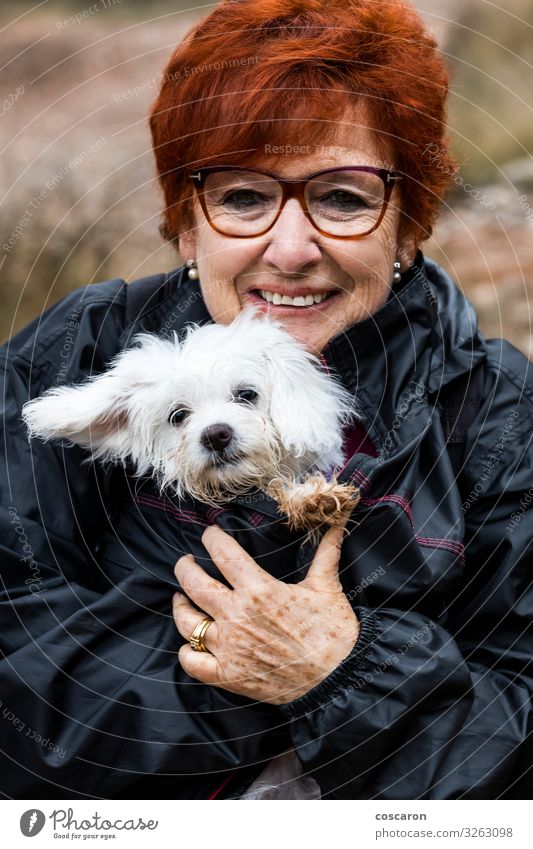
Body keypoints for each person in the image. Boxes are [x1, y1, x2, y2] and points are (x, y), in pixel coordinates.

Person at [1, 0, 532, 800]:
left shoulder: (495, 414)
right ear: (187, 226)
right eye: (244, 197)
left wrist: (344, 673)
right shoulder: (71, 353)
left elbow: (513, 749)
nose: (290, 250)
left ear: (409, 226)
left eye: (345, 199)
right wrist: (248, 682)